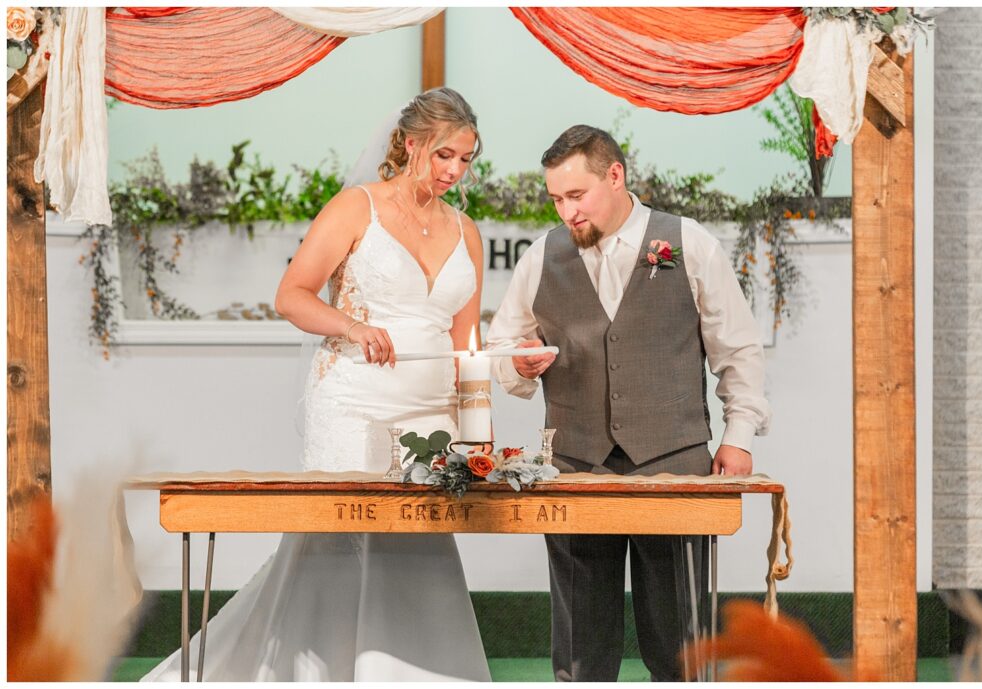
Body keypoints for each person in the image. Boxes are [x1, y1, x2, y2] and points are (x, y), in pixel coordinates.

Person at [143, 88, 490, 681]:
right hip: (354, 401)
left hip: (432, 413)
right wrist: (352, 326)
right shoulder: (357, 208)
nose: (456, 171)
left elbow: (468, 345)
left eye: (466, 158)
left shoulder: (468, 232)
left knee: (421, 545)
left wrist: (478, 428)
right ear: (412, 145)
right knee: (342, 538)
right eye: (445, 156)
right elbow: (292, 295)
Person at [485, 125, 771, 682]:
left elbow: (737, 348)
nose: (566, 212)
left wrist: (738, 437)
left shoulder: (689, 244)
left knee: (680, 644)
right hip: (574, 466)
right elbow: (500, 345)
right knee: (581, 650)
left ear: (615, 176)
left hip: (675, 465)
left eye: (576, 195)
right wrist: (514, 365)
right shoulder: (541, 255)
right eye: (556, 199)